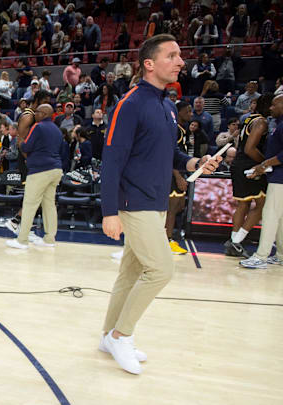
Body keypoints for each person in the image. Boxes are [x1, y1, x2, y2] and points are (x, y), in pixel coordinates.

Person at [100, 34, 220, 375]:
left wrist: (194, 163)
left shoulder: (167, 105)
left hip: (156, 200)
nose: (181, 62)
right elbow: (112, 160)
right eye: (173, 56)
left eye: (180, 56)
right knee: (162, 270)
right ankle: (122, 335)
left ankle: (108, 335)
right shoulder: (130, 104)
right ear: (149, 64)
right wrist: (109, 211)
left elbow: (171, 154)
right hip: (133, 203)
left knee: (131, 272)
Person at [6, 104, 62, 249]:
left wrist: (20, 142)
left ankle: (22, 240)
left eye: (37, 112)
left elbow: (27, 147)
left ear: (43, 114)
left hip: (40, 171)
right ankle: (49, 239)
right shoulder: (57, 129)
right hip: (56, 169)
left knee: (30, 204)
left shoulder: (38, 127)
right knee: (49, 205)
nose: (34, 114)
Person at [226, 95, 273, 258]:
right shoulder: (261, 122)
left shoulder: (248, 119)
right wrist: (265, 163)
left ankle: (233, 242)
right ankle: (237, 241)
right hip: (248, 165)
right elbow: (249, 149)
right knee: (262, 205)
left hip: (239, 164)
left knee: (243, 205)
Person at [240, 95, 283, 269]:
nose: (271, 108)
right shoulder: (279, 124)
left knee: (271, 216)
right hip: (277, 176)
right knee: (280, 218)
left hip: (280, 179)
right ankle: (280, 255)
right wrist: (263, 166)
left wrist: (264, 164)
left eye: (275, 105)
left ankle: (261, 256)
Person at [166, 101, 194, 255]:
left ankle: (167, 238)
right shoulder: (175, 129)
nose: (191, 114)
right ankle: (167, 240)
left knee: (179, 207)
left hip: (179, 172)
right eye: (188, 111)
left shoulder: (184, 130)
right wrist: (178, 176)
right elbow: (170, 155)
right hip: (172, 173)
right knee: (171, 208)